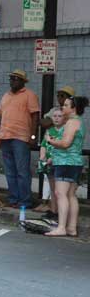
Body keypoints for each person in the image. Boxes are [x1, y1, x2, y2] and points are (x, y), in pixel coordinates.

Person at [0, 70, 40, 209]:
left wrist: (33, 136)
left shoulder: (30, 95)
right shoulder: (5, 96)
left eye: (16, 79)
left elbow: (35, 116)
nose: (13, 81)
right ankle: (13, 199)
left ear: (22, 82)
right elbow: (0, 117)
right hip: (5, 136)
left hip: (21, 137)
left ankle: (25, 201)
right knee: (10, 171)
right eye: (11, 79)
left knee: (22, 171)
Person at [44, 95, 87, 237]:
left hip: (66, 162)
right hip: (74, 162)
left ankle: (61, 227)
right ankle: (71, 228)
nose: (63, 107)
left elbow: (65, 143)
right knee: (70, 195)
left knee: (60, 194)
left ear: (74, 108)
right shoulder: (78, 121)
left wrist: (51, 141)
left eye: (67, 105)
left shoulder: (71, 122)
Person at [34, 108, 64, 215]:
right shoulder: (49, 130)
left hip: (59, 162)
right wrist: (42, 155)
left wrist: (53, 158)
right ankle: (53, 210)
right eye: (54, 116)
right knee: (52, 188)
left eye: (59, 116)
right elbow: (43, 145)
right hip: (48, 163)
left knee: (59, 190)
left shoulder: (64, 131)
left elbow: (63, 146)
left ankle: (60, 212)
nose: (56, 118)